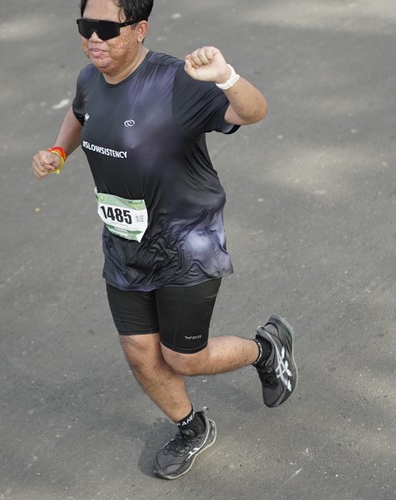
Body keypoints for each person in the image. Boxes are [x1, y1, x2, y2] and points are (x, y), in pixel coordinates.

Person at [32, 0, 297, 480]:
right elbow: (80, 114)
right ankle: (191, 427)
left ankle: (266, 347)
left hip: (186, 243)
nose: (94, 39)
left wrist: (225, 77)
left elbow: (254, 112)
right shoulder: (91, 78)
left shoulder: (177, 81)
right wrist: (57, 150)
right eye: (86, 26)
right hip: (124, 241)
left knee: (183, 357)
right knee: (139, 352)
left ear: (140, 29)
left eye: (106, 28)